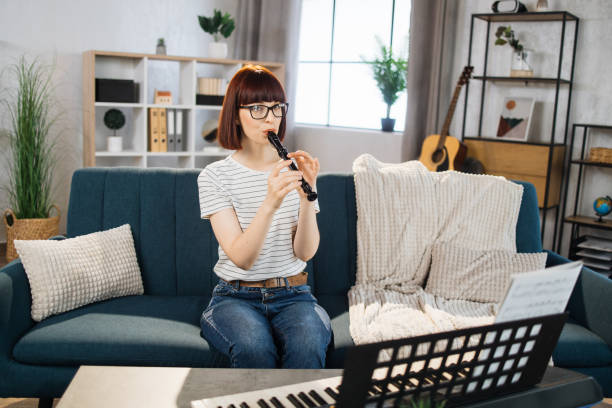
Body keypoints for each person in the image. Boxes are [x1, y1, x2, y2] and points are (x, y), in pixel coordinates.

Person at [197, 65, 332, 368]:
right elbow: (242, 258)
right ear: (235, 114)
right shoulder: (214, 177)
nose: (270, 117)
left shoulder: (293, 169)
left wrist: (308, 199)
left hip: (294, 294)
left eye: (276, 108)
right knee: (254, 350)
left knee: (308, 347)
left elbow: (305, 252)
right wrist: (270, 202)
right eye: (256, 108)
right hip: (235, 296)